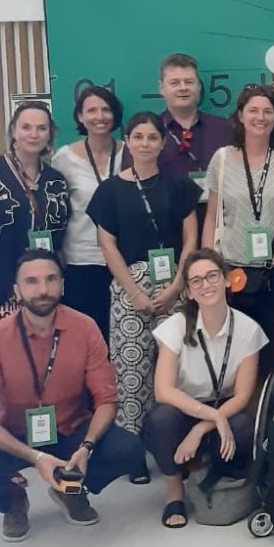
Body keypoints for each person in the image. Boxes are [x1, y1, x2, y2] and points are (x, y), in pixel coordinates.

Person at [0, 251, 144, 541]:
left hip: (71, 429)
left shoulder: (85, 327)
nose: (43, 290)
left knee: (129, 450)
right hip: (16, 435)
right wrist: (36, 456)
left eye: (50, 279)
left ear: (63, 285)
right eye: (31, 282)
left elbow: (106, 400)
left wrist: (86, 446)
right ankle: (13, 499)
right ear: (16, 290)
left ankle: (70, 489)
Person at [86, 111, 201, 462]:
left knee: (180, 368)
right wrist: (134, 292)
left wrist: (177, 286)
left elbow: (191, 237)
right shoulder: (109, 191)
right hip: (128, 288)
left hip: (176, 286)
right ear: (128, 141)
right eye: (138, 137)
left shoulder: (178, 183)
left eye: (152, 137)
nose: (145, 143)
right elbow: (107, 246)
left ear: (163, 143)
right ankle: (133, 453)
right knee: (132, 372)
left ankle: (176, 449)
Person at [146, 249, 266, 528]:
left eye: (212, 276)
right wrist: (210, 417)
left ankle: (213, 471)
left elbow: (244, 395)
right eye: (196, 281)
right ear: (187, 292)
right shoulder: (174, 327)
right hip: (184, 407)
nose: (206, 285)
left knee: (244, 427)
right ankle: (175, 493)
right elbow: (163, 391)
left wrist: (205, 426)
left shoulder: (248, 329)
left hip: (224, 407)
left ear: (227, 280)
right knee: (160, 419)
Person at [203, 85, 274, 372]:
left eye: (268, 111)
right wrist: (207, 267)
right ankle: (244, 413)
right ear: (240, 115)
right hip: (234, 272)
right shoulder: (222, 159)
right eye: (253, 110)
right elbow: (212, 216)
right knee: (239, 355)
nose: (260, 117)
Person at [0, 103, 70, 324]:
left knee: (41, 352)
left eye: (41, 128)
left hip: (43, 288)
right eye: (26, 127)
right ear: (13, 131)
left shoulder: (56, 179)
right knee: (2, 353)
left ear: (50, 134)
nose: (34, 134)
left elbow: (61, 233)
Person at [52, 84, 125, 343]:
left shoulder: (130, 152)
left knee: (122, 341)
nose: (99, 116)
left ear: (114, 115)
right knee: (86, 342)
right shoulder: (64, 158)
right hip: (82, 262)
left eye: (105, 109)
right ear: (80, 117)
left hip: (125, 260)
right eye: (91, 110)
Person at [156, 52, 231, 209]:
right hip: (169, 225)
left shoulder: (224, 129)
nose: (183, 88)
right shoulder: (150, 132)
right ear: (162, 88)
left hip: (220, 222)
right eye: (174, 83)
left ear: (199, 86)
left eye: (189, 82)